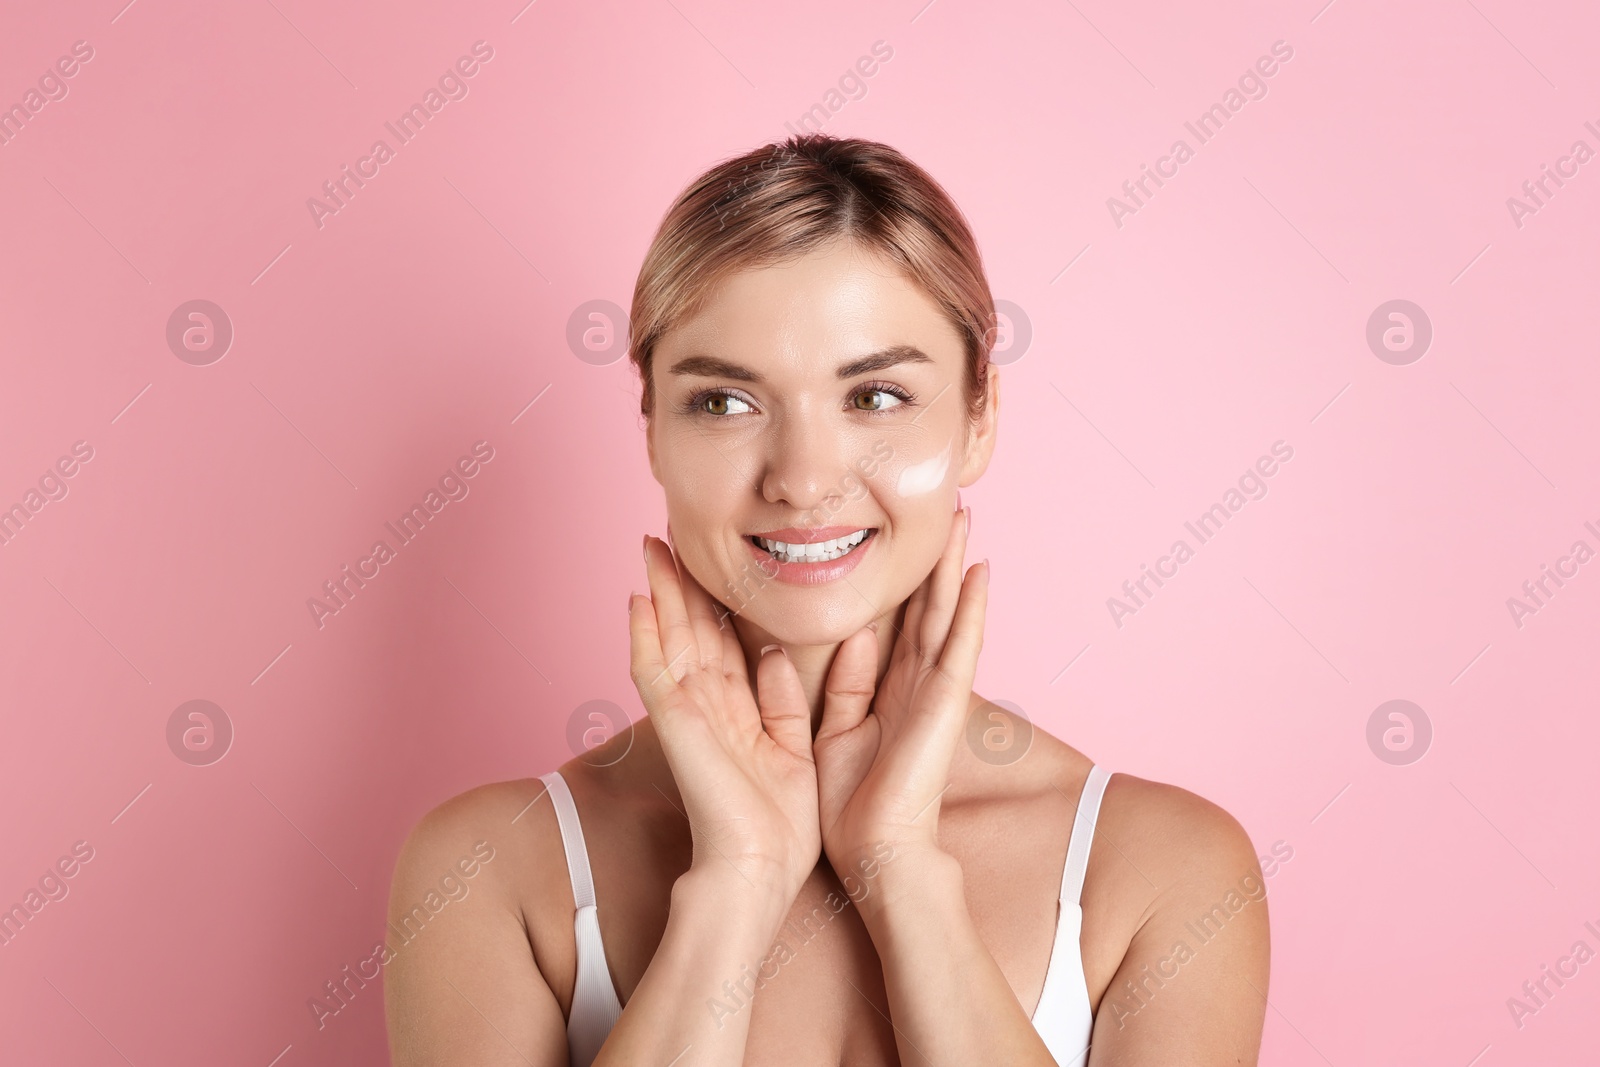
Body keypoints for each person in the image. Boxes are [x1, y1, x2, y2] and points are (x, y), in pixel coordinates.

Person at [384, 133, 1270, 1066]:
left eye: (878, 396)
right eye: (725, 402)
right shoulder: (487, 872)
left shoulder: (1166, 871)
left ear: (980, 418)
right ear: (651, 430)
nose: (804, 481)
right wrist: (736, 884)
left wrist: (903, 874)